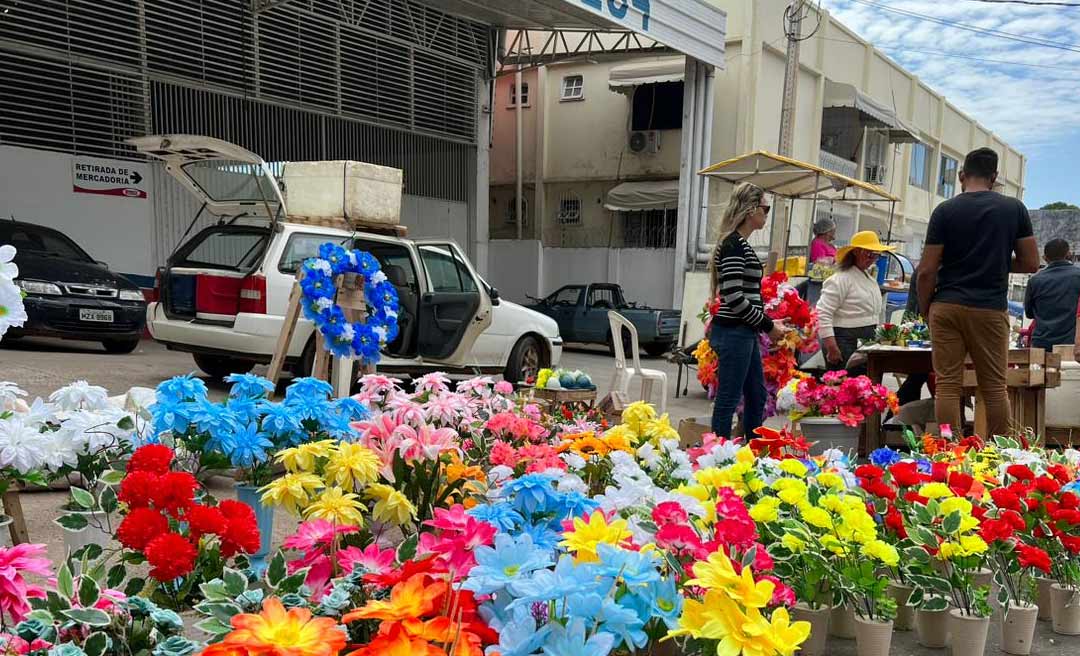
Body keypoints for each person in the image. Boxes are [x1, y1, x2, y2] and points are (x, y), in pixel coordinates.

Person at [916, 147, 1040, 438]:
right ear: (994, 177)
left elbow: (926, 271)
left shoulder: (945, 211)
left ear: (962, 175)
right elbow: (1031, 262)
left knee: (947, 384)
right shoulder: (1014, 209)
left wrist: (926, 308)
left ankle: (949, 445)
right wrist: (992, 263)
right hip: (989, 308)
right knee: (995, 387)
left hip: (947, 305)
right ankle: (997, 452)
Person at [708, 182, 789, 438]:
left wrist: (766, 323)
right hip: (735, 332)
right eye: (765, 208)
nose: (766, 214)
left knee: (757, 394)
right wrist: (768, 325)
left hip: (743, 332)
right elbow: (733, 296)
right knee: (729, 399)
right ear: (751, 209)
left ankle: (752, 450)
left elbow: (740, 295)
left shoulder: (739, 244)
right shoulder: (733, 245)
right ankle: (719, 454)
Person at [816, 231, 895, 374]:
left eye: (876, 255)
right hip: (844, 340)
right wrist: (831, 347)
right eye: (869, 254)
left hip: (865, 340)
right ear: (856, 252)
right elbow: (823, 313)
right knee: (844, 387)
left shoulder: (868, 278)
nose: (872, 259)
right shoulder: (840, 279)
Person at [1024, 239, 1080, 360]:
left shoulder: (1035, 280)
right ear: (1069, 254)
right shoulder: (1078, 276)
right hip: (1071, 345)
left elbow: (1029, 314)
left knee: (1038, 378)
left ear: (1045, 257)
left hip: (1041, 344)